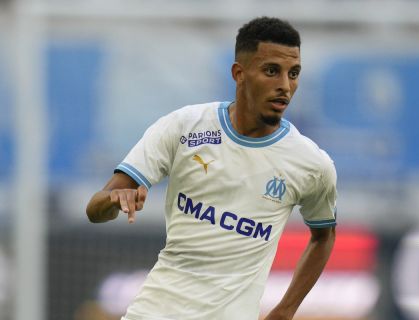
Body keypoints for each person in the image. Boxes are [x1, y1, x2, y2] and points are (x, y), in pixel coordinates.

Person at [86, 16, 337, 320]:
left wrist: (285, 310)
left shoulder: (311, 164)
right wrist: (114, 201)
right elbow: (95, 208)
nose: (285, 86)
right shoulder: (183, 127)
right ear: (239, 73)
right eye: (271, 71)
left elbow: (323, 236)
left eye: (293, 73)